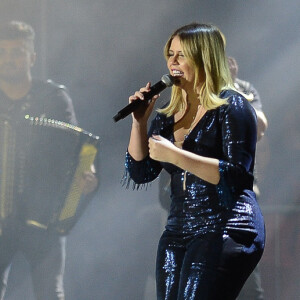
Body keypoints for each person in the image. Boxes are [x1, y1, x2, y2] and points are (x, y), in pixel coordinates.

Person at [124, 23, 265, 299]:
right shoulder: (169, 113)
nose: (172, 62)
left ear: (204, 58)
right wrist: (138, 123)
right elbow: (140, 171)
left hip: (225, 224)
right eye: (170, 54)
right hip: (178, 227)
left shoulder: (233, 106)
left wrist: (176, 155)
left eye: (182, 55)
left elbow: (236, 176)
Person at [0, 21, 98, 300]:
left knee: (50, 294)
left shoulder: (53, 97)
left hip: (44, 218)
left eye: (16, 52)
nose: (9, 59)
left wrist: (86, 173)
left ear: (32, 57)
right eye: (3, 52)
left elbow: (78, 147)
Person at [227, 56, 268, 300]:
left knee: (248, 278)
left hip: (241, 195)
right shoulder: (200, 89)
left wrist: (232, 88)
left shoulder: (245, 89)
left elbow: (260, 127)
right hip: (207, 196)